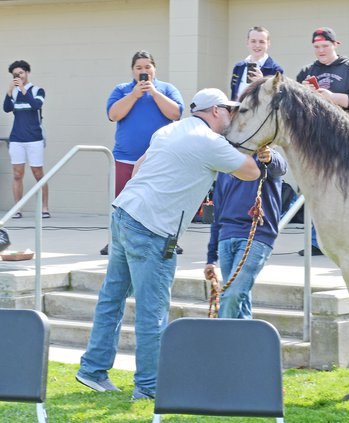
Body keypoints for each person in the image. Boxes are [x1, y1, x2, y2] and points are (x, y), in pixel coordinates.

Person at [76, 88, 260, 400]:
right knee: (153, 311)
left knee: (112, 297)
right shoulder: (211, 142)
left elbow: (138, 167)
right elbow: (251, 172)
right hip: (152, 230)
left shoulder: (169, 129)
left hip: (124, 213)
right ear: (215, 111)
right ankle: (150, 388)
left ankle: (93, 370)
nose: (232, 115)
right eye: (229, 109)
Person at [296, 27, 349, 255]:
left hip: (345, 139)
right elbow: (296, 108)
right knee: (317, 191)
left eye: (325, 46)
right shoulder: (307, 71)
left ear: (335, 45)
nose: (321, 51)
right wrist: (304, 94)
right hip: (316, 140)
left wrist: (333, 98)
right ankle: (316, 242)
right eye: (317, 47)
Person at [100, 50, 184, 255]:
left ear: (154, 69)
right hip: (125, 158)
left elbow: (176, 113)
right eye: (139, 68)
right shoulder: (122, 90)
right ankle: (116, 241)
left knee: (162, 202)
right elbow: (113, 114)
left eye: (148, 67)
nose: (143, 71)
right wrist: (134, 95)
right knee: (122, 202)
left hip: (158, 159)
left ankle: (168, 239)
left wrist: (154, 93)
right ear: (132, 71)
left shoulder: (167, 89)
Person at [204, 145, 287, 319]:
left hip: (256, 235)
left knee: (232, 295)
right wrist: (210, 258)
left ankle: (220, 342)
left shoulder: (263, 157)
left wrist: (270, 156)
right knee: (240, 303)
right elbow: (216, 213)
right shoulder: (225, 166)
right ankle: (246, 345)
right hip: (226, 237)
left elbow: (280, 166)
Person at [3, 60, 49, 219]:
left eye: (21, 73)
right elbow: (7, 108)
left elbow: (36, 105)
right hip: (17, 138)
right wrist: (10, 90)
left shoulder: (38, 90)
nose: (18, 76)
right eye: (15, 74)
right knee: (17, 174)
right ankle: (17, 208)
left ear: (27, 73)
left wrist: (23, 89)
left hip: (34, 138)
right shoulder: (14, 92)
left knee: (38, 173)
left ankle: (44, 207)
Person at [230, 26, 284, 101]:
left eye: (261, 42)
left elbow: (277, 99)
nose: (257, 45)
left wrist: (263, 83)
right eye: (253, 41)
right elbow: (234, 94)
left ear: (268, 44)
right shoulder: (238, 67)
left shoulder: (276, 70)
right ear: (247, 43)